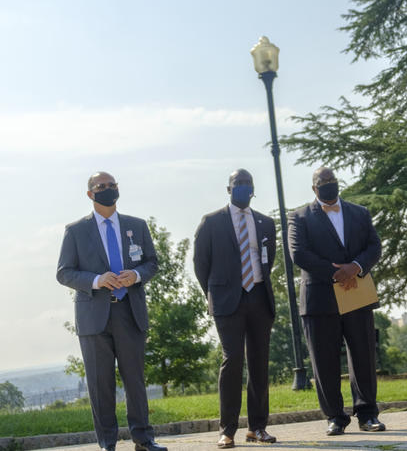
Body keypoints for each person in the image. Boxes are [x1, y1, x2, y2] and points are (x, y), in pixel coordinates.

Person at [56, 172, 167, 451]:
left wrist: (136, 275)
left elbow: (152, 263)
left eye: (112, 185)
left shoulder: (137, 226)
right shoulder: (76, 231)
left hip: (130, 312)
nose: (107, 189)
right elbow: (64, 273)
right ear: (90, 194)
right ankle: (107, 442)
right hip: (94, 318)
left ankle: (143, 438)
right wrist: (96, 280)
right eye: (100, 186)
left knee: (135, 381)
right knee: (99, 383)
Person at [288, 167, 385, 436]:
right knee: (324, 361)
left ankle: (368, 414)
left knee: (363, 356)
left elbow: (374, 246)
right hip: (319, 298)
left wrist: (355, 266)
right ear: (314, 188)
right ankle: (335, 417)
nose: (328, 185)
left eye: (332, 181)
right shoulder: (299, 217)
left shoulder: (359, 212)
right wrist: (336, 273)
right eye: (323, 182)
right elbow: (299, 254)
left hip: (357, 293)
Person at [193, 169, 277, 448]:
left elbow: (269, 259)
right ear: (228, 189)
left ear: (253, 189)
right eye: (238, 183)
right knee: (232, 361)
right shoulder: (211, 222)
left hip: (259, 297)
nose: (243, 187)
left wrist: (254, 282)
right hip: (227, 301)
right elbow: (200, 264)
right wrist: (215, 291)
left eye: (248, 183)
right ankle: (227, 430)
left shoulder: (265, 222)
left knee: (259, 363)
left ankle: (257, 428)